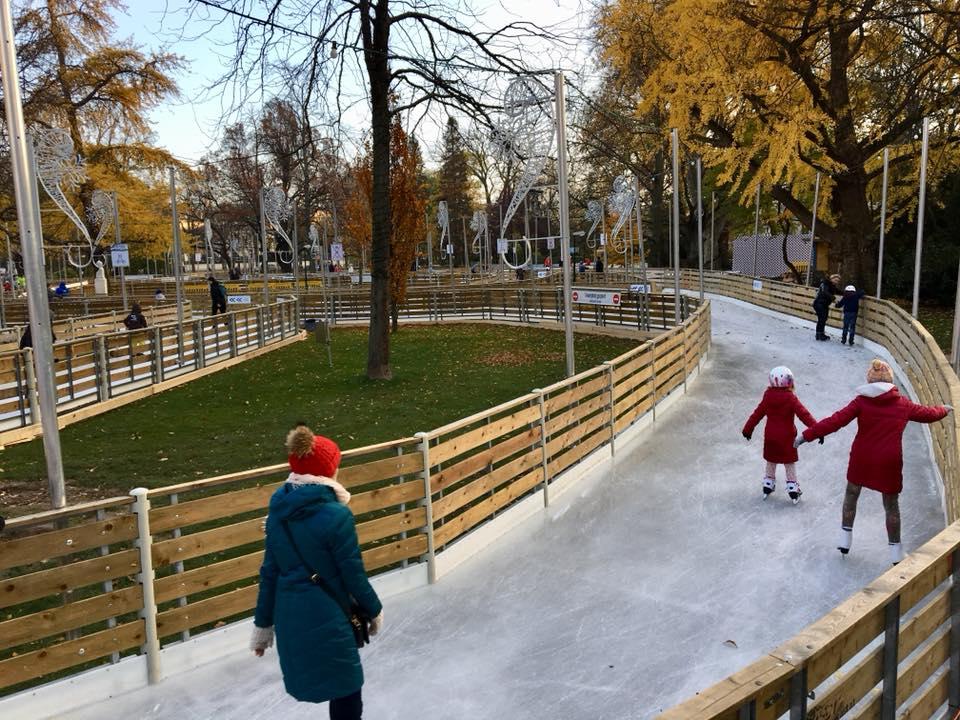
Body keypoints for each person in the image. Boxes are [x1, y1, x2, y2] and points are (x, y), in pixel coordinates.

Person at [251, 424, 383, 719]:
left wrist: (262, 628)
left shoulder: (277, 514)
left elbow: (269, 573)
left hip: (290, 619)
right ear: (328, 472)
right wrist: (374, 610)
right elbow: (353, 573)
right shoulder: (336, 516)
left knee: (337, 685)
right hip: (329, 617)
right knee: (347, 690)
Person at [795, 359, 952, 564]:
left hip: (862, 457)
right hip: (889, 461)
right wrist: (944, 409)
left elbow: (835, 421)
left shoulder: (861, 402)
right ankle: (896, 553)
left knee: (851, 495)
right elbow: (928, 414)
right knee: (891, 505)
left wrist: (806, 436)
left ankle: (845, 540)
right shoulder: (903, 404)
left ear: (869, 380)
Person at [742, 366, 819, 504]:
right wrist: (817, 429)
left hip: (771, 437)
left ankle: (768, 484)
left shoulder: (768, 396)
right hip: (787, 438)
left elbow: (757, 413)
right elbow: (804, 414)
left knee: (771, 461)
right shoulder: (790, 398)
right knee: (789, 463)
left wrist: (748, 429)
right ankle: (792, 488)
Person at [812, 273, 841, 341]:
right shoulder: (826, 284)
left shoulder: (832, 286)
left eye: (838, 281)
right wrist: (834, 298)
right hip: (819, 303)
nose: (837, 282)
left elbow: (839, 292)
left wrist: (850, 293)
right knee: (822, 318)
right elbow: (825, 292)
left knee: (823, 319)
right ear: (832, 279)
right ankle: (819, 334)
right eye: (836, 280)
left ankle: (820, 333)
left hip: (824, 304)